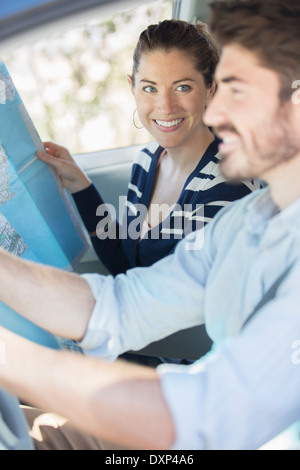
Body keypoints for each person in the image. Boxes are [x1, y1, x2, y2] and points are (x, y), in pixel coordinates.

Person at [0, 0, 300, 450]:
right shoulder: (248, 221)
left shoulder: (233, 199)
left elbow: (202, 418)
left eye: (235, 91)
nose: (215, 114)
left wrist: (13, 359)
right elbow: (123, 303)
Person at [37, 19, 259, 276]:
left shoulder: (229, 186)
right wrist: (80, 186)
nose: (165, 106)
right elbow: (125, 263)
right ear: (132, 88)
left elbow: (186, 302)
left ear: (210, 89)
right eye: (150, 88)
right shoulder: (146, 161)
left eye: (182, 87)